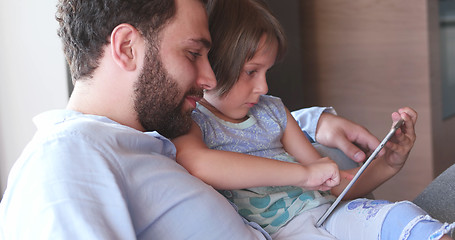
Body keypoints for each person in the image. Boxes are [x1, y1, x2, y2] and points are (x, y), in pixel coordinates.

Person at [0, 0, 401, 239]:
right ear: (126, 48)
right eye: (193, 54)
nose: (209, 78)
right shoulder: (65, 161)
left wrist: (312, 122)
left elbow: (230, 131)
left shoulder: (147, 139)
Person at [172, 0, 455, 239]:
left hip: (327, 214)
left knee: (404, 216)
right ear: (215, 64)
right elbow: (198, 163)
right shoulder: (196, 119)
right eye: (251, 72)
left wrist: (389, 164)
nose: (264, 87)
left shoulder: (273, 112)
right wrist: (304, 175)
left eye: (266, 72)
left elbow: (332, 181)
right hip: (284, 232)